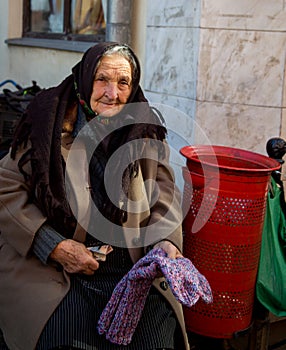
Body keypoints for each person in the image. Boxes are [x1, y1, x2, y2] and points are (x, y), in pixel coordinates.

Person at [0, 42, 190, 350]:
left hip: (130, 264)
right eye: (102, 79)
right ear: (85, 79)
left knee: (154, 341)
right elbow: (5, 188)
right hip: (58, 266)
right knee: (68, 337)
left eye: (123, 82)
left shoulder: (142, 130)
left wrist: (165, 242)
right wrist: (53, 245)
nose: (111, 93)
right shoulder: (45, 125)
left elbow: (164, 195)